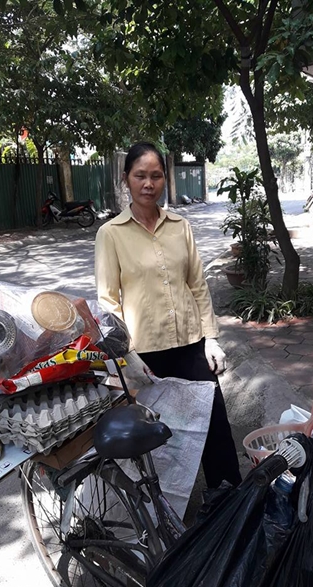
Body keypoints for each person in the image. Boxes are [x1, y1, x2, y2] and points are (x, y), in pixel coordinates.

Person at [95, 142, 241, 489]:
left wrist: (211, 339)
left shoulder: (180, 227)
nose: (149, 184)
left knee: (214, 425)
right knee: (157, 437)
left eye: (156, 176)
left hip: (191, 345)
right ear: (126, 179)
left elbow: (197, 285)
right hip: (145, 355)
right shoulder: (111, 234)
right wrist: (127, 357)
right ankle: (163, 509)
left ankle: (229, 500)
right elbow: (108, 301)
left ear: (165, 179)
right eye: (140, 176)